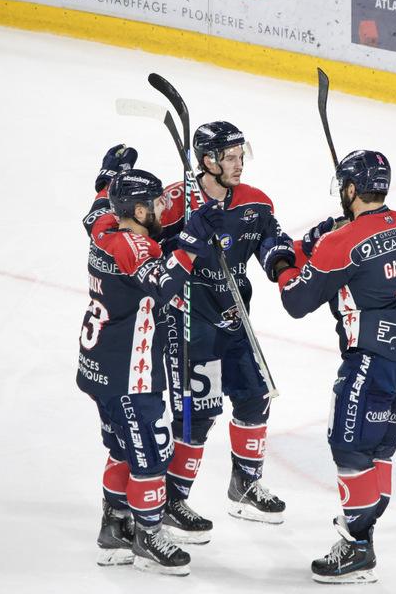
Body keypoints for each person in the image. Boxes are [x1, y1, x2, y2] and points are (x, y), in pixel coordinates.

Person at [265, 150, 396, 584]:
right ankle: (366, 536)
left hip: (373, 359)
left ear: (349, 190)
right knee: (377, 449)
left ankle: (358, 547)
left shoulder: (340, 243)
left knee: (347, 445)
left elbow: (297, 301)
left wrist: (286, 264)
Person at [77, 145, 222, 574]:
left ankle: (114, 526)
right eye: (155, 204)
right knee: (151, 455)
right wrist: (192, 242)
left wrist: (109, 177)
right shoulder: (134, 247)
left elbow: (96, 209)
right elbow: (163, 287)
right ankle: (147, 534)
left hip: (98, 365)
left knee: (121, 449)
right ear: (138, 212)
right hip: (130, 374)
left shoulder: (104, 227)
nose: (163, 207)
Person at [156, 121, 293, 544]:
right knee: (197, 415)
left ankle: (245, 487)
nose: (239, 165)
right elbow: (144, 254)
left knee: (254, 398)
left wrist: (280, 262)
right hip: (190, 323)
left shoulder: (254, 202)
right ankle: (172, 500)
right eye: (230, 158)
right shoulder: (174, 201)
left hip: (235, 320)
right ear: (208, 161)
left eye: (240, 156)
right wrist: (183, 237)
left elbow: (273, 240)